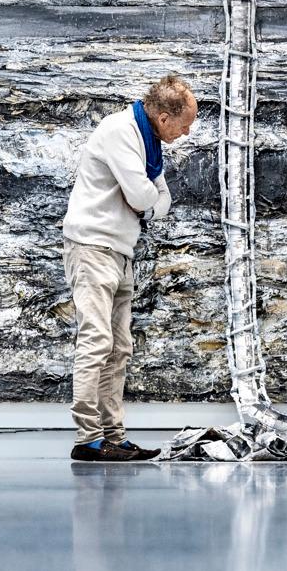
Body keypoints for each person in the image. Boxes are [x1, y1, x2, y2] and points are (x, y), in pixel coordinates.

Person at [62, 74, 197, 462]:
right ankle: (88, 439)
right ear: (164, 116)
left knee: (119, 348)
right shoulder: (120, 130)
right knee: (96, 342)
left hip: (120, 250)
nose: (187, 134)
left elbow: (160, 200)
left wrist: (146, 199)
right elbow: (143, 195)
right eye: (185, 125)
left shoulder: (148, 143)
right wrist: (146, 198)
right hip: (92, 247)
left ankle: (113, 437)